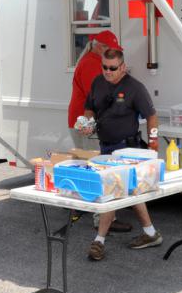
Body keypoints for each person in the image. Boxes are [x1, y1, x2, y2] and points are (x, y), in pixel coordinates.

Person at [78, 48, 162, 261]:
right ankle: (151, 233)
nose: (108, 71)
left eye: (112, 68)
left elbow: (152, 116)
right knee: (131, 192)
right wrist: (87, 123)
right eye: (104, 67)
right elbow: (89, 107)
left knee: (112, 191)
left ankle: (99, 241)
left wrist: (153, 147)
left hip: (126, 150)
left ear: (122, 67)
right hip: (106, 148)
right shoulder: (98, 82)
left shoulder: (135, 88)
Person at [67, 31, 133, 233]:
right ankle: (103, 219)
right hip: (87, 123)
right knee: (100, 168)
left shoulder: (94, 61)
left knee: (90, 167)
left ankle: (83, 209)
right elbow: (97, 98)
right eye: (109, 50)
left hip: (83, 121)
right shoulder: (90, 64)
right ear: (99, 46)